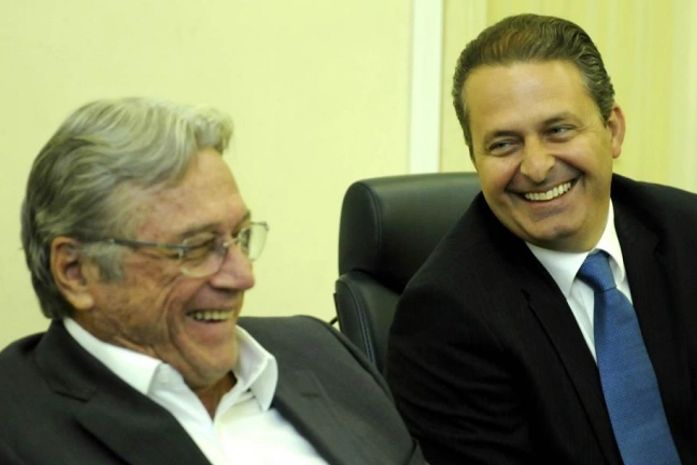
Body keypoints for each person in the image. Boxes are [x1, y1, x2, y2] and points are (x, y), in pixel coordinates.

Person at [0, 97, 425, 465]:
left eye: (240, 236)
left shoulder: (322, 353)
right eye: (196, 247)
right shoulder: (17, 427)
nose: (243, 276)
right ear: (76, 272)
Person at [387, 13, 697, 465]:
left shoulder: (687, 233)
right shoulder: (445, 318)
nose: (536, 167)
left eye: (558, 130)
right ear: (475, 159)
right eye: (503, 144)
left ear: (612, 130)